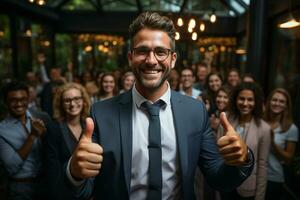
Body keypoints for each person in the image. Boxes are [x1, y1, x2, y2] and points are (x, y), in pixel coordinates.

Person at [64, 12, 254, 200]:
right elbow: (84, 190)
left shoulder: (194, 112)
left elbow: (218, 179)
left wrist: (243, 160)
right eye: (142, 51)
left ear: (172, 59)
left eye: (160, 52)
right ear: (130, 57)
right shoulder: (101, 113)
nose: (151, 60)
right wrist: (75, 173)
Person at [216, 83, 271, 200]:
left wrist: (260, 197)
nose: (245, 103)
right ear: (235, 99)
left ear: (256, 102)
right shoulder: (226, 121)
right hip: (225, 184)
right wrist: (217, 190)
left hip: (248, 188)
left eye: (250, 99)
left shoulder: (264, 129)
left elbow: (262, 164)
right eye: (242, 98)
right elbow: (217, 156)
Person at [0, 81, 49, 200]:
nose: (19, 103)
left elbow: (51, 152)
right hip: (21, 188)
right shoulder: (2, 130)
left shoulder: (41, 117)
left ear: (28, 99)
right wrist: (32, 136)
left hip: (46, 184)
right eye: (13, 100)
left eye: (23, 99)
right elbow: (11, 166)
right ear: (5, 102)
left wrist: (44, 136)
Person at [44, 83, 91, 200]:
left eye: (77, 99)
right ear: (60, 104)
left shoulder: (90, 126)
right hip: (63, 192)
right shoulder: (53, 128)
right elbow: (51, 167)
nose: (72, 104)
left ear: (84, 101)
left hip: (89, 191)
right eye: (67, 100)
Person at [264, 88, 299, 200]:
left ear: (286, 106)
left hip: (273, 178)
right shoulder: (261, 121)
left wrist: (273, 143)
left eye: (281, 101)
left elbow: (289, 158)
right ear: (269, 102)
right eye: (274, 100)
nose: (277, 103)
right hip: (254, 174)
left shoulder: (291, 128)